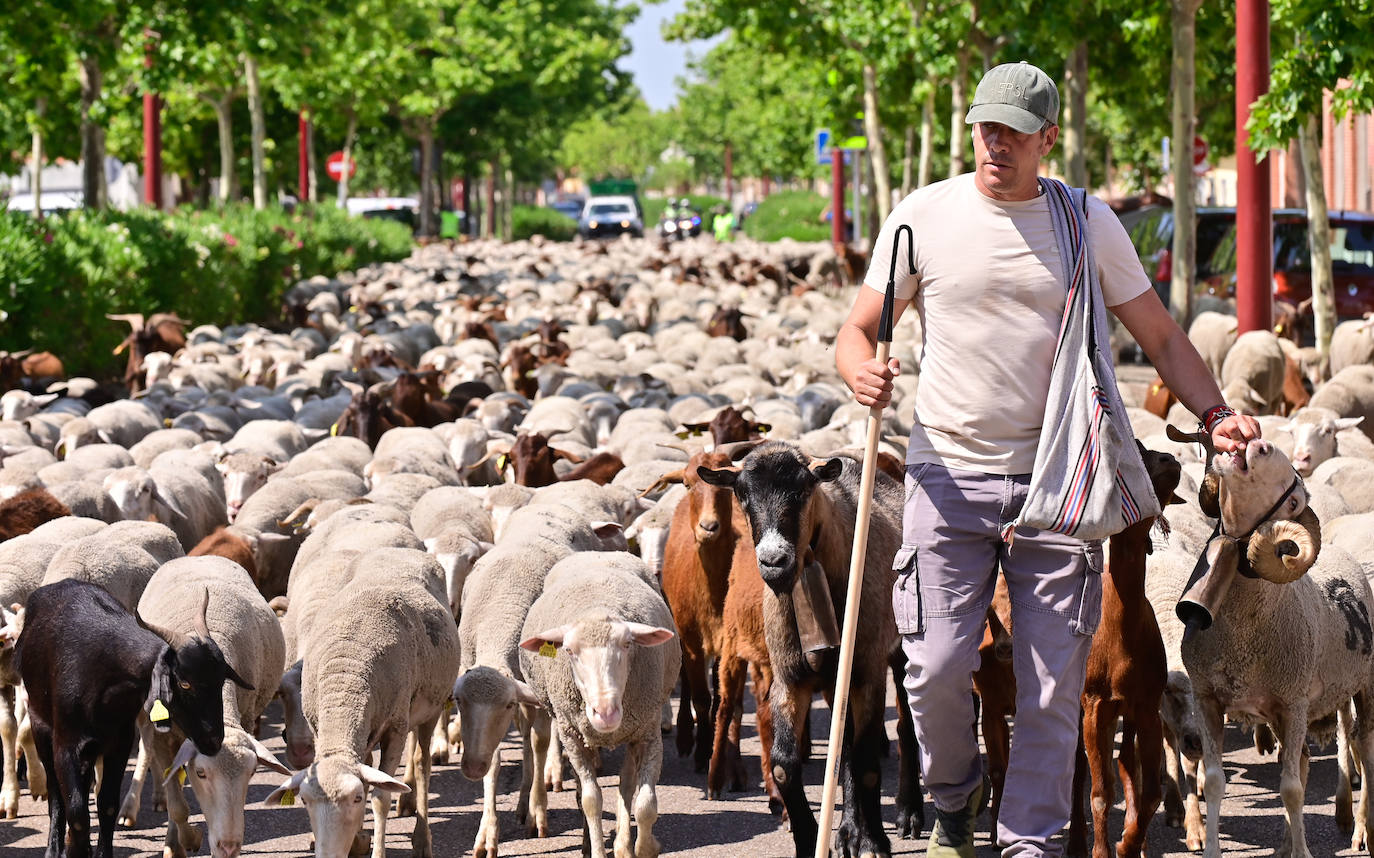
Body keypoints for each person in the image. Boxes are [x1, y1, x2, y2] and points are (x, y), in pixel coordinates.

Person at [834, 61, 1260, 858]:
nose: (996, 144)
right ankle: (954, 801)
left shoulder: (1084, 222)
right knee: (932, 665)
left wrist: (1215, 413)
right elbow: (857, 329)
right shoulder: (921, 217)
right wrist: (858, 367)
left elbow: (1161, 336)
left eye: (1014, 132)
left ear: (1048, 139)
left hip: (1060, 478)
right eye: (986, 128)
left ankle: (1027, 840)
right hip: (946, 469)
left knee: (1055, 683)